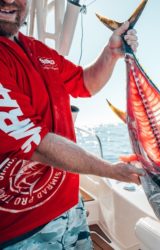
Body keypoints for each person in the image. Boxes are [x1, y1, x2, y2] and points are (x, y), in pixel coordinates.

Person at [0, 0, 144, 248]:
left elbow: (84, 83)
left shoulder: (37, 49)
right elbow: (38, 145)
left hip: (70, 207)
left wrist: (112, 52)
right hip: (23, 228)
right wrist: (110, 170)